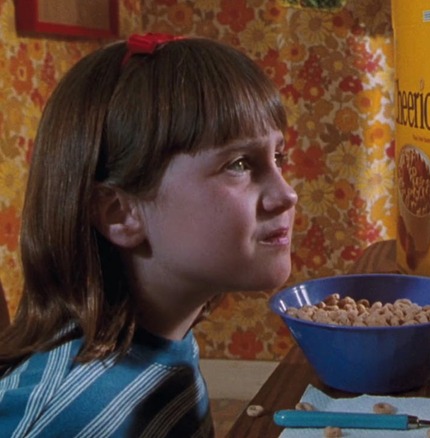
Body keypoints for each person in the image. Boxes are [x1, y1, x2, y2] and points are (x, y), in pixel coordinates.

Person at [0, 33, 298, 437]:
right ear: (121, 213)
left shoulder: (160, 342)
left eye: (279, 157)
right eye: (239, 164)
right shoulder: (69, 417)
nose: (286, 194)